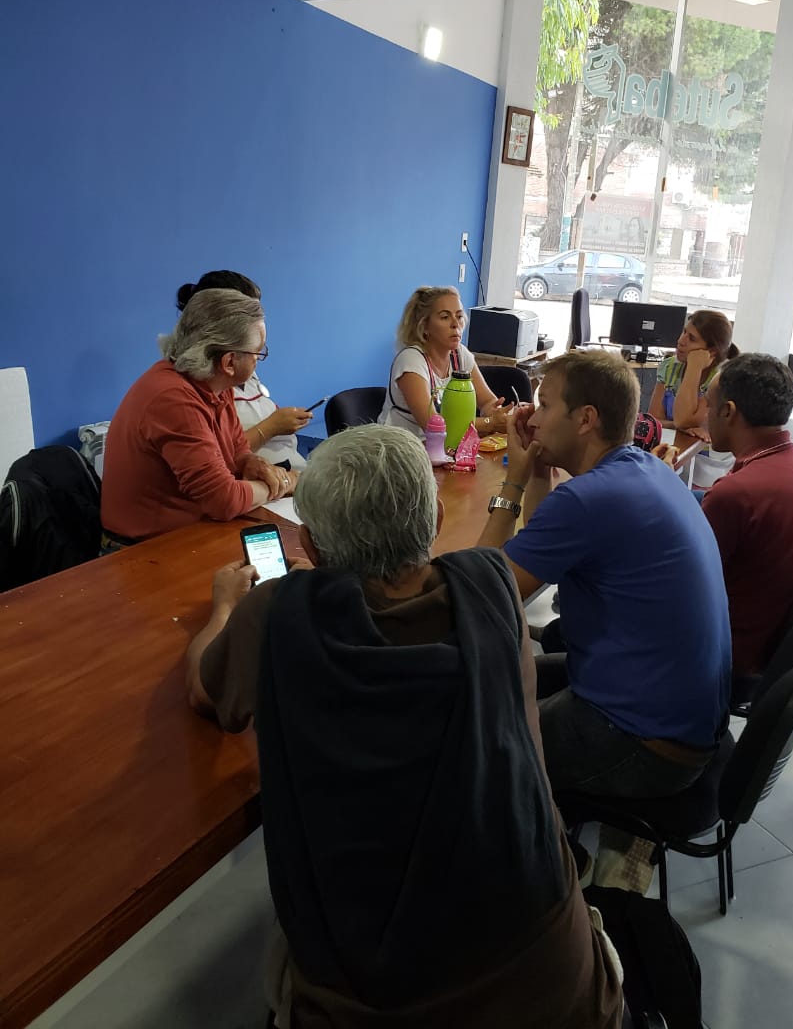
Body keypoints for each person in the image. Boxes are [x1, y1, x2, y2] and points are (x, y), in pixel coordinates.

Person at [186, 425, 623, 1029]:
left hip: (369, 1000)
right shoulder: (493, 586)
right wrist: (518, 482)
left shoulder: (277, 613)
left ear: (309, 544)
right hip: (561, 986)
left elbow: (205, 693)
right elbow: (487, 557)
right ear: (437, 516)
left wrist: (224, 607)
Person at [479, 350, 731, 801]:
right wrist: (539, 470)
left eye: (544, 405)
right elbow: (546, 548)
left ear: (585, 419)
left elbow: (479, 595)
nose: (532, 419)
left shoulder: (589, 499)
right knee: (490, 684)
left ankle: (536, 839)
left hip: (645, 744)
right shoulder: (645, 469)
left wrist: (513, 481)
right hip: (681, 718)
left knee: (471, 748)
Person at [100, 289, 294, 542]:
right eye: (258, 352)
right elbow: (223, 501)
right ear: (229, 362)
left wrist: (252, 463)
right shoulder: (172, 399)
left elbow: (236, 449)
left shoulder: (215, 384)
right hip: (145, 547)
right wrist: (283, 484)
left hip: (189, 531)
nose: (258, 360)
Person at [699, 355, 793, 680]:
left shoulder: (737, 493)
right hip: (777, 646)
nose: (705, 415)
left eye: (709, 405)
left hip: (726, 652)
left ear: (728, 411)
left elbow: (678, 583)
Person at [177, 271, 312, 470]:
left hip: (287, 471)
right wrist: (272, 427)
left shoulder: (243, 364)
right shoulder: (195, 388)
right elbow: (213, 460)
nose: (257, 323)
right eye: (250, 314)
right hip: (262, 481)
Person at [378, 286, 513, 437]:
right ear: (424, 326)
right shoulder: (410, 360)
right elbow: (433, 426)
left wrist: (497, 413)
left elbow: (487, 401)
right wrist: (489, 423)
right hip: (402, 446)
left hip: (446, 445)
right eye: (445, 317)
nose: (455, 324)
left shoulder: (460, 355)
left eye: (459, 316)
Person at [648, 309, 738, 433]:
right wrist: (681, 427)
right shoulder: (669, 366)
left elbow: (683, 420)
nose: (681, 341)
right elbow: (654, 421)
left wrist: (694, 367)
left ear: (712, 351)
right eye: (684, 332)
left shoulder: (720, 379)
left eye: (692, 339)